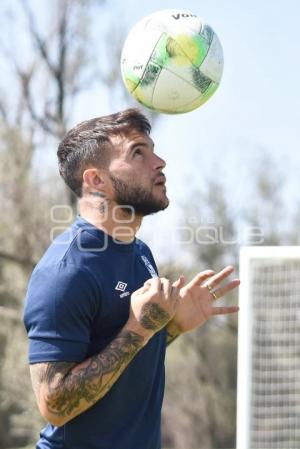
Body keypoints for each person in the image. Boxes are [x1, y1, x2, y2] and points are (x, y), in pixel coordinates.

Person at [23, 108, 240, 449]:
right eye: (138, 152)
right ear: (95, 181)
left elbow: (118, 353)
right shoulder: (66, 271)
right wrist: (139, 328)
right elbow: (54, 405)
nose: (160, 162)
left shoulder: (140, 253)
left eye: (152, 149)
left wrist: (168, 328)